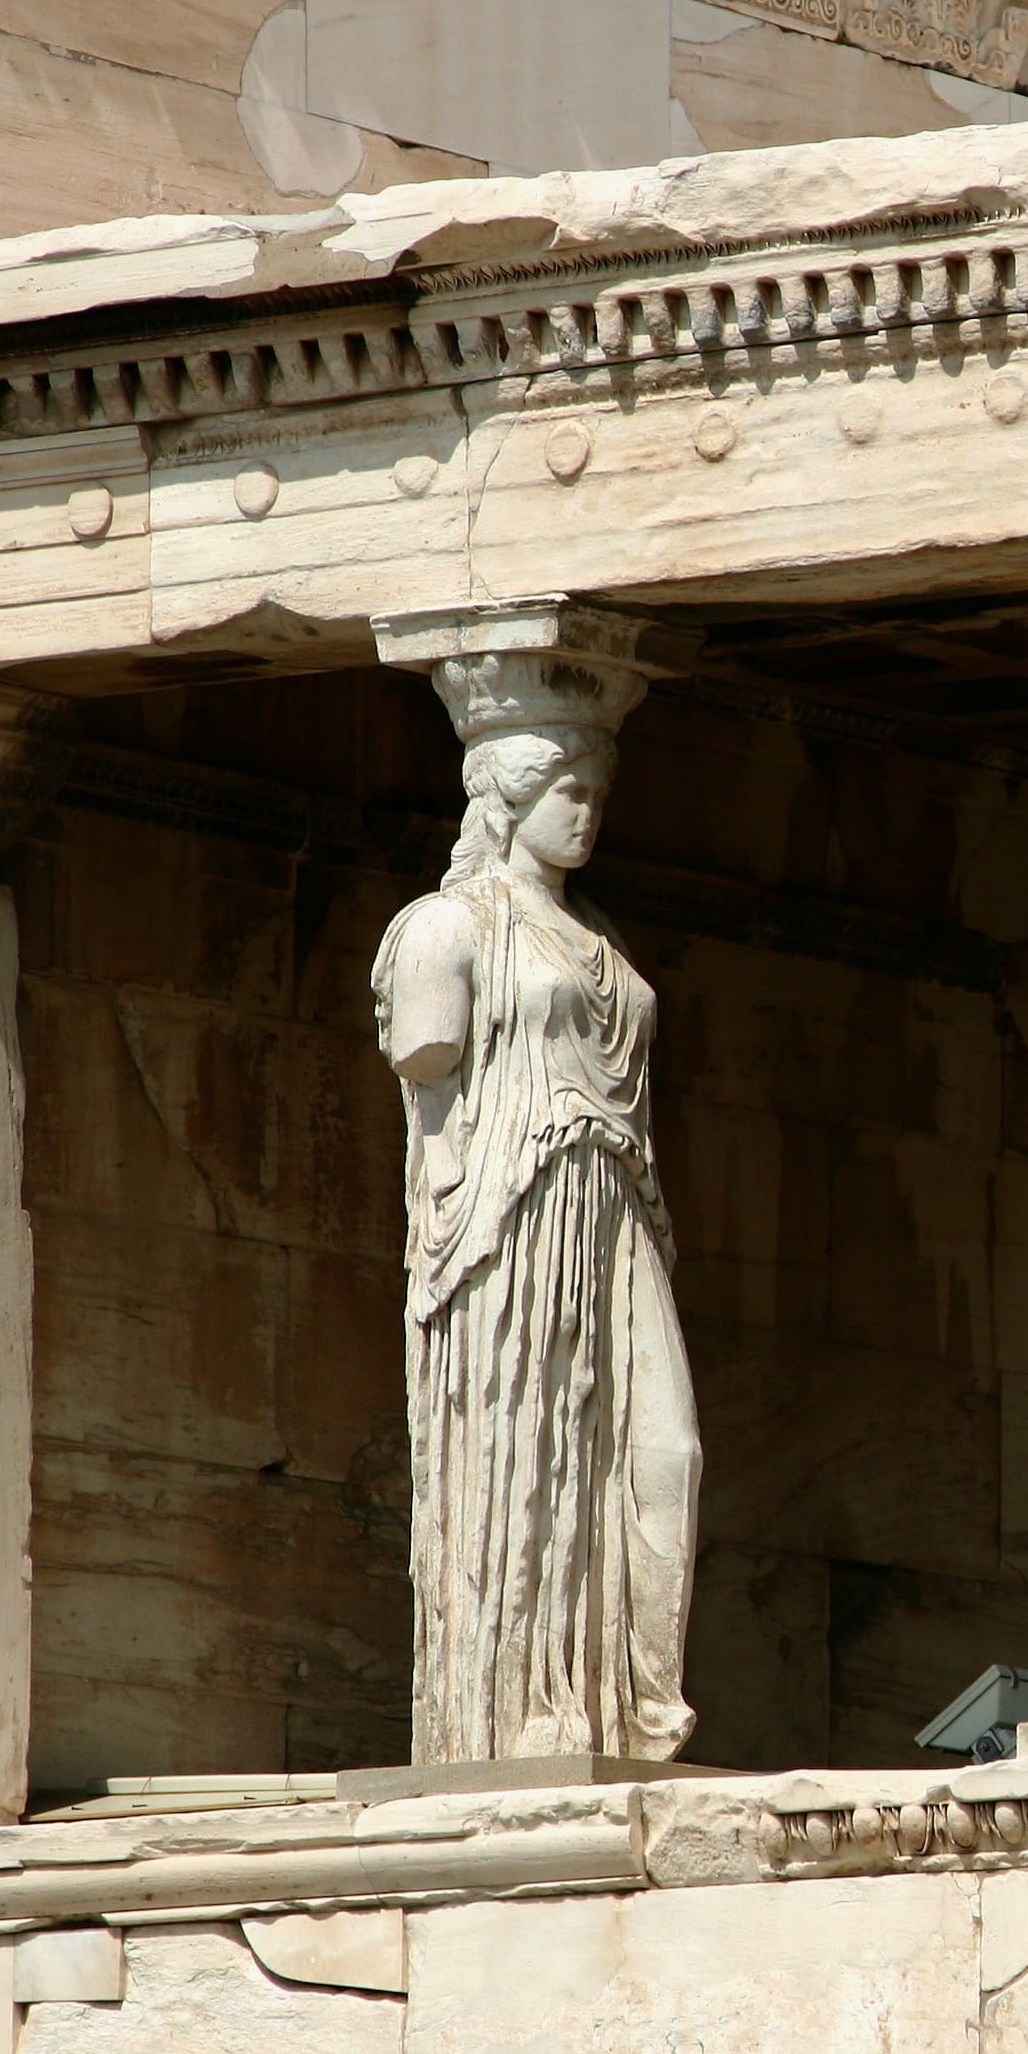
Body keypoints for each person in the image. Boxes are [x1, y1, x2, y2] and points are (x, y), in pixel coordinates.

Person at [373, 719, 699, 1764]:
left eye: (597, 788)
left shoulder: (599, 939)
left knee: (664, 1454)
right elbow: (430, 1077)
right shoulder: (445, 929)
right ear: (507, 798)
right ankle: (523, 1713)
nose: (586, 808)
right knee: (535, 1448)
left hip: (615, 1204)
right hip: (515, 1215)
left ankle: (631, 1702)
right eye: (566, 786)